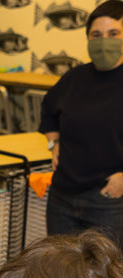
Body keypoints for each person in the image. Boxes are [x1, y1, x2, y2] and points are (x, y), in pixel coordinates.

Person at [40, 0, 123, 250]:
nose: (103, 41)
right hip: (62, 195)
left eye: (113, 34)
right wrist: (53, 142)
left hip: (107, 199)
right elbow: (48, 108)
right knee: (60, 268)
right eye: (96, 35)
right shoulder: (75, 78)